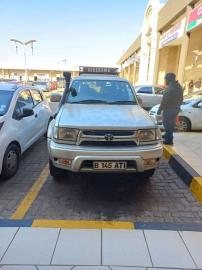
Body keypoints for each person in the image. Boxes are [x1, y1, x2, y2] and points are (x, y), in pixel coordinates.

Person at [157, 73, 183, 145]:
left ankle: (169, 140)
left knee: (167, 124)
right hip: (176, 108)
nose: (165, 80)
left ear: (169, 79)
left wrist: (159, 110)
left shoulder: (170, 88)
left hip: (169, 109)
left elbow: (164, 100)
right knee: (170, 123)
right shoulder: (179, 87)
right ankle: (167, 135)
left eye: (165, 79)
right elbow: (181, 99)